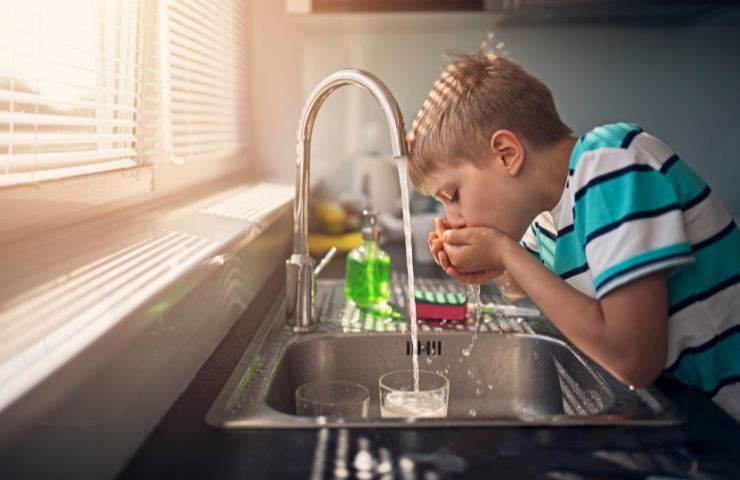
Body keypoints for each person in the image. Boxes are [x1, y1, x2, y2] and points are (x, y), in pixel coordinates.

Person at [407, 45, 740, 421]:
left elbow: (633, 360)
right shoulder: (547, 217)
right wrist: (490, 267)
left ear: (506, 153)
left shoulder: (609, 162)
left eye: (452, 196)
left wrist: (503, 252)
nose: (452, 219)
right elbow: (524, 284)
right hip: (706, 408)